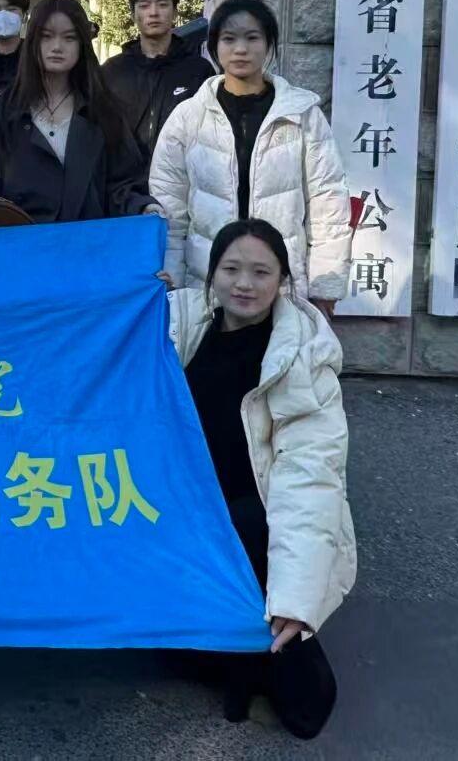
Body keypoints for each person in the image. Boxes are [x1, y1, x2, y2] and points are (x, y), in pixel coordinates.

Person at [168, 219, 353, 739]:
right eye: (231, 269)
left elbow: (310, 479)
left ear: (283, 281)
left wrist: (296, 601)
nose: (244, 284)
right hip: (186, 504)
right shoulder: (185, 322)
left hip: (257, 515)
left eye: (261, 272)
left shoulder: (302, 358)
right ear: (211, 275)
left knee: (305, 704)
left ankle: (262, 654)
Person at [149, 0, 351, 307]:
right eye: (229, 39)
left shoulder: (301, 115)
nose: (240, 49)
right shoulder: (188, 117)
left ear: (269, 44)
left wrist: (325, 287)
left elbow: (328, 203)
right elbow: (169, 208)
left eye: (252, 38)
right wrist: (171, 286)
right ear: (214, 45)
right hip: (206, 287)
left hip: (280, 288)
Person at [0, 0, 155, 223]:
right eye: (46, 37)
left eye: (69, 38)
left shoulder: (104, 112)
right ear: (32, 42)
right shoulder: (2, 111)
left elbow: (124, 184)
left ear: (82, 44)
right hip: (19, 238)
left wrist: (143, 206)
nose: (57, 47)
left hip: (87, 240)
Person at [101, 0, 215, 160]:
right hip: (123, 177)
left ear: (175, 13)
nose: (153, 13)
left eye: (162, 5)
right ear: (133, 15)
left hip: (180, 174)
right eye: (144, 6)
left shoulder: (199, 70)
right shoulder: (112, 72)